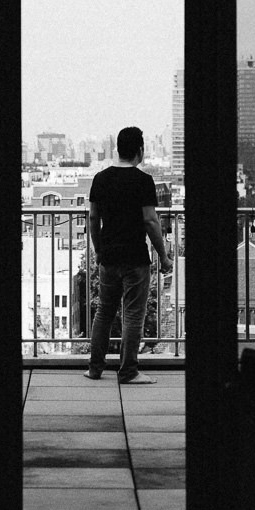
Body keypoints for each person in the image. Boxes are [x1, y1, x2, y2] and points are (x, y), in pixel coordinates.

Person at [84, 126, 171, 383]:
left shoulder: (100, 178)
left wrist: (99, 249)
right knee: (133, 314)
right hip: (135, 257)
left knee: (104, 312)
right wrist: (163, 256)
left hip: (108, 257)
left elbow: (93, 217)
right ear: (140, 150)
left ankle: (95, 368)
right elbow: (150, 221)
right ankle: (128, 371)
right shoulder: (143, 181)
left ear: (118, 149)